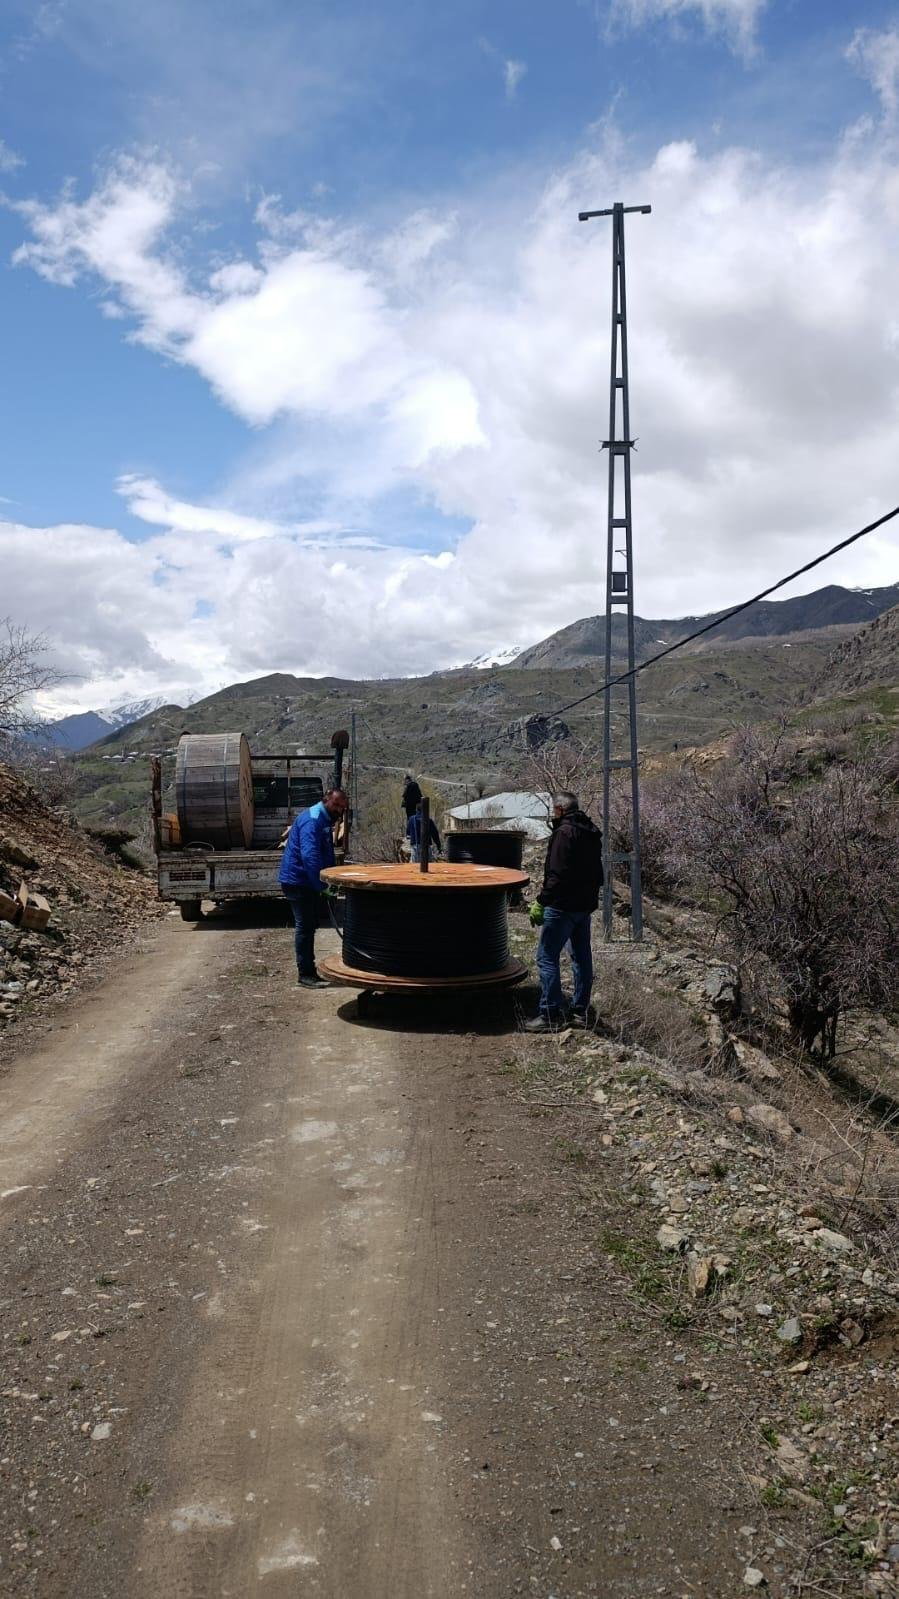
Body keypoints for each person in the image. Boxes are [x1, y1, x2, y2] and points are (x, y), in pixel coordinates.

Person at [524, 791, 602, 1033]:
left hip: (562, 906)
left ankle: (550, 1014)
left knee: (547, 957)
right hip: (583, 907)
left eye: (553, 809)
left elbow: (556, 874)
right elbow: (597, 873)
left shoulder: (564, 833)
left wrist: (541, 901)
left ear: (559, 809)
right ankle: (580, 1012)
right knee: (581, 958)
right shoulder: (590, 832)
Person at [279, 789, 348, 988]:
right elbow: (310, 857)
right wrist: (322, 885)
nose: (339, 810)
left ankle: (309, 970)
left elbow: (323, 853)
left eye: (342, 807)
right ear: (326, 800)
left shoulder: (324, 819)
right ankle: (305, 974)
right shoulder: (313, 820)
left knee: (309, 925)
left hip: (306, 881)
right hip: (298, 881)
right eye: (336, 805)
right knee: (305, 927)